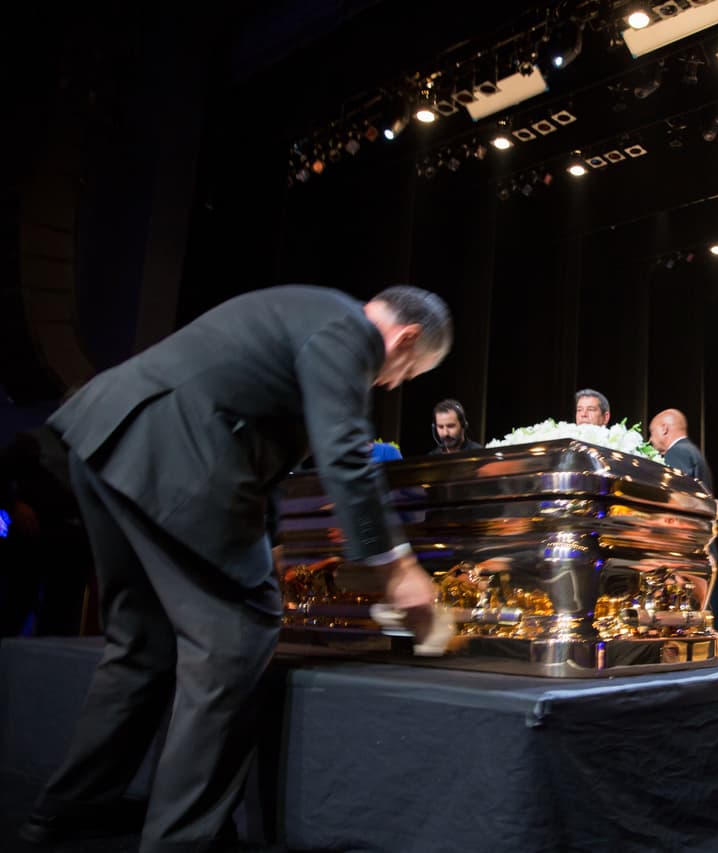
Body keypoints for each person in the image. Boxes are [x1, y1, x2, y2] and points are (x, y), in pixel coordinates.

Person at [20, 284, 451, 851]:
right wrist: (395, 566)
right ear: (406, 339)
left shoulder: (311, 315)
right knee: (236, 638)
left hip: (110, 440)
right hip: (170, 457)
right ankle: (182, 840)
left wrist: (271, 543)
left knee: (142, 645)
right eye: (410, 373)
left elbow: (256, 438)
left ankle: (67, 812)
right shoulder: (348, 331)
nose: (394, 384)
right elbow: (344, 452)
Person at [647, 408, 712, 492]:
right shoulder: (690, 450)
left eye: (652, 432)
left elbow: (674, 492)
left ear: (664, 429)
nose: (650, 440)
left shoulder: (677, 452)